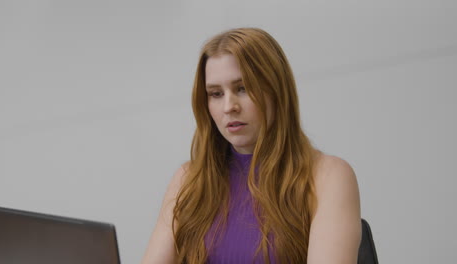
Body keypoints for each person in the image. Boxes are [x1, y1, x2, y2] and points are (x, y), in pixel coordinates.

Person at [142, 27, 361, 264]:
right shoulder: (188, 179)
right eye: (216, 94)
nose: (229, 106)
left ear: (276, 90)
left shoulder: (328, 176)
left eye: (243, 88)